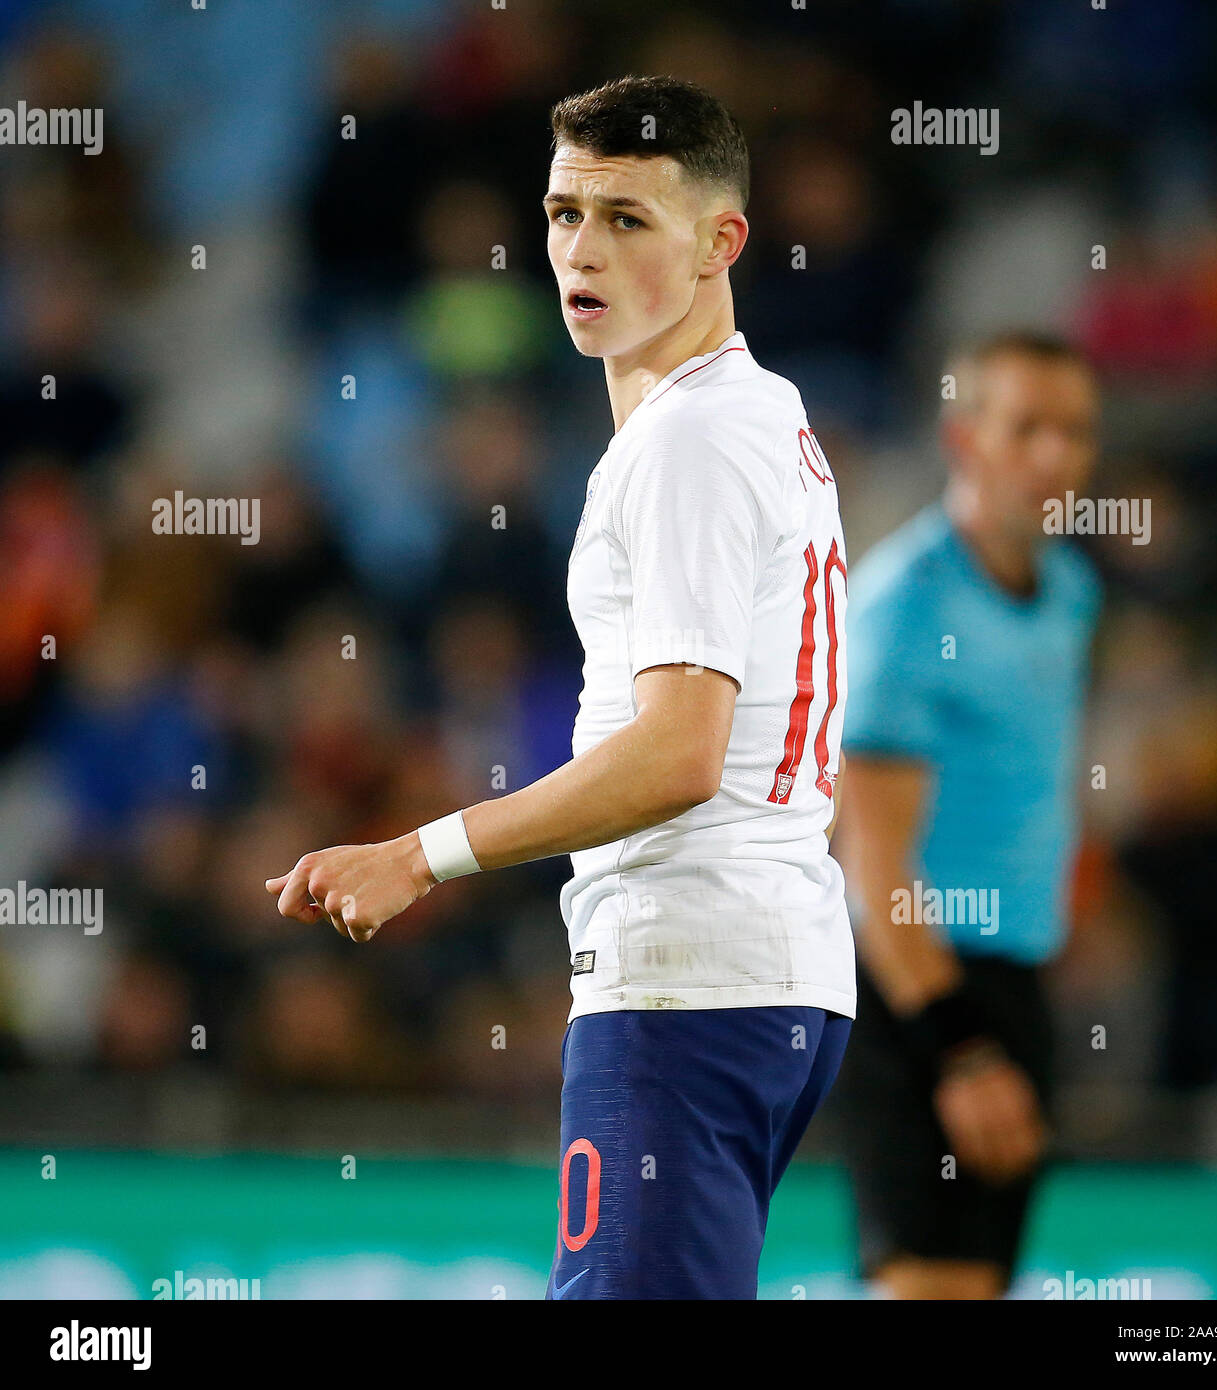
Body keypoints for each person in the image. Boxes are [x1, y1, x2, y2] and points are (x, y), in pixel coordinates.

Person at [265, 75, 855, 1300]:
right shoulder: (758, 415)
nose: (580, 250)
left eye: (627, 218)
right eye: (561, 212)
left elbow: (680, 751)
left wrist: (417, 854)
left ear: (719, 242)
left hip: (689, 978)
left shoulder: (689, 441)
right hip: (760, 971)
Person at [832, 331, 1103, 1299]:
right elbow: (873, 862)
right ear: (963, 439)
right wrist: (962, 1047)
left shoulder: (1070, 592)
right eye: (1026, 427)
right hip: (919, 998)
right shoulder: (905, 605)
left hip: (1015, 984)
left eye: (1073, 431)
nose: (1055, 455)